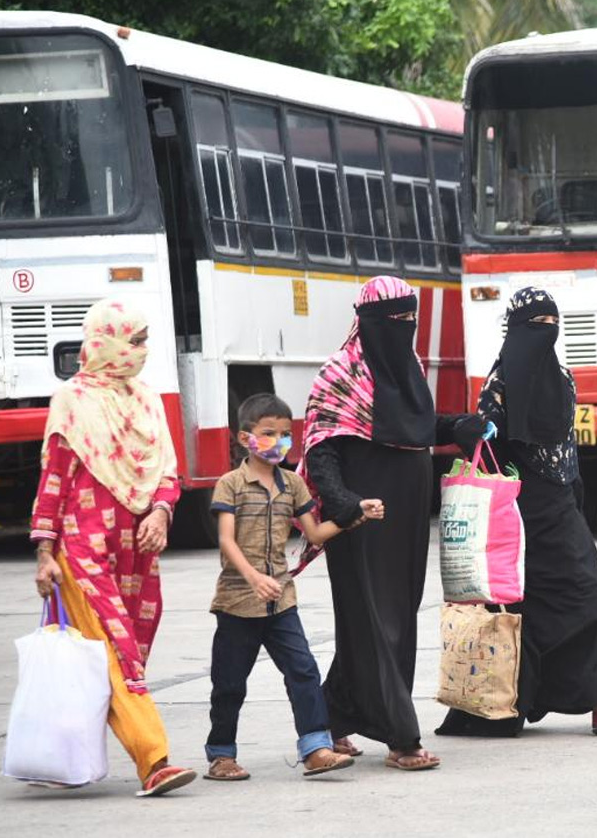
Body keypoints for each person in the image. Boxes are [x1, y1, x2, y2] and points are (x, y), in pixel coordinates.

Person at [436, 287, 597, 738]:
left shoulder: (561, 377)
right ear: (515, 330)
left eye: (550, 325)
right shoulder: (499, 384)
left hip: (558, 504)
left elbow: (564, 448)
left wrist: (576, 500)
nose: (544, 334)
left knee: (583, 592)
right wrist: (476, 430)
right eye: (534, 326)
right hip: (514, 516)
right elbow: (489, 450)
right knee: (533, 606)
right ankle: (512, 705)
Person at [299, 276, 485, 771]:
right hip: (362, 516)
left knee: (386, 620)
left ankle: (332, 716)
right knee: (380, 622)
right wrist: (342, 503)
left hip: (407, 516)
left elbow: (414, 426)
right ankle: (402, 738)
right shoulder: (339, 372)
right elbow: (321, 447)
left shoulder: (409, 365)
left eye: (411, 319)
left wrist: (456, 426)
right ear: (368, 321)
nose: (404, 329)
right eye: (395, 321)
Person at [30, 298, 197, 797]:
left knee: (124, 657)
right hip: (84, 551)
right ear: (105, 342)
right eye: (135, 340)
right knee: (119, 653)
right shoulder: (73, 400)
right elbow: (54, 479)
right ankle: (155, 761)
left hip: (138, 554)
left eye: (144, 341)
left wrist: (163, 512)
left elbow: (168, 471)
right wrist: (44, 552)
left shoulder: (146, 400)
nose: (142, 351)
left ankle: (57, 756)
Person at [204, 393, 385, 781]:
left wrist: (357, 515)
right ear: (243, 437)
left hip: (281, 601)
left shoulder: (293, 486)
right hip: (238, 601)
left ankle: (316, 748)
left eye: (285, 435)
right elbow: (226, 541)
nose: (278, 442)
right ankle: (221, 755)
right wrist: (254, 578)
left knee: (303, 671)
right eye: (268, 433)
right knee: (230, 683)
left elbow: (315, 532)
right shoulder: (230, 485)